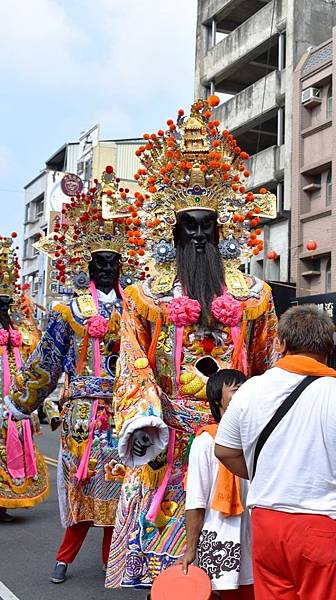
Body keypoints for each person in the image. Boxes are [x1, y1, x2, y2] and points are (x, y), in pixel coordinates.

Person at [105, 98, 278, 589]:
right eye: (190, 226)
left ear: (223, 231)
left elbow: (270, 365)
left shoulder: (252, 295)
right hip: (169, 438)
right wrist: (144, 418)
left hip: (231, 441)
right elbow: (134, 363)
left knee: (227, 558)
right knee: (166, 559)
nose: (199, 236)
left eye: (208, 226)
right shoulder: (146, 296)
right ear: (173, 230)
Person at [5, 168, 136, 583]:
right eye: (99, 262)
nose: (105, 269)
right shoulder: (70, 310)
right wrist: (23, 402)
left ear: (122, 265)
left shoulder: (136, 307)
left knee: (123, 483)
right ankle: (64, 556)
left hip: (127, 409)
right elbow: (47, 359)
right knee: (81, 486)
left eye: (112, 262)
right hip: (81, 414)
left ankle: (111, 558)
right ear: (87, 265)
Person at [215, 304, 336, 600]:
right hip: (323, 526)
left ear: (280, 343)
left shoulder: (250, 390)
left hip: (267, 525)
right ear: (330, 347)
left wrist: (260, 471)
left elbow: (225, 450)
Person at [183, 368, 254, 600]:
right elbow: (196, 500)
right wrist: (191, 547)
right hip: (219, 542)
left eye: (246, 389)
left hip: (256, 541)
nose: (243, 394)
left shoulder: (257, 438)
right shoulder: (205, 442)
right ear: (217, 400)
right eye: (236, 390)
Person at [0, 235, 49, 522]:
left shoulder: (19, 332)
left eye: (7, 304)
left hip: (13, 402)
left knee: (10, 450)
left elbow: (35, 361)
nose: (4, 308)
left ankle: (4, 501)